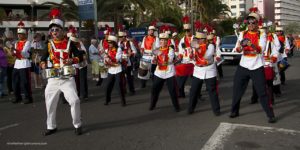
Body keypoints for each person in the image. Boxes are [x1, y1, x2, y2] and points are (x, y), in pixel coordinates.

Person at [40, 8, 83, 136]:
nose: (54, 32)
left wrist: (73, 59)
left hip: (67, 78)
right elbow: (43, 57)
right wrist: (42, 64)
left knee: (74, 101)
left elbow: (81, 55)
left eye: (56, 29)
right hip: (53, 78)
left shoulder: (70, 43)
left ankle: (77, 124)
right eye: (52, 30)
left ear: (62, 30)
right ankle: (51, 126)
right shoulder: (48, 44)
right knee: (50, 103)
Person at [229, 7, 276, 123]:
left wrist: (250, 44)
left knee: (262, 92)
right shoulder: (242, 33)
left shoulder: (262, 34)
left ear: (257, 23)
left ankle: (270, 115)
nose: (250, 24)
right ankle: (234, 110)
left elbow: (261, 49)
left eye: (253, 22)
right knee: (237, 89)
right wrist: (240, 47)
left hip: (257, 66)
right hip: (243, 66)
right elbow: (237, 49)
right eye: (248, 21)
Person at [188, 32, 220, 116]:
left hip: (209, 70)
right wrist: (191, 53)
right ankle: (190, 108)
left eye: (198, 39)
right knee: (193, 91)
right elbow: (191, 57)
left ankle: (216, 110)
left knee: (212, 91)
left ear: (203, 39)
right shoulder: (195, 46)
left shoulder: (210, 46)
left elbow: (207, 56)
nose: (196, 40)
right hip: (198, 70)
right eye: (196, 39)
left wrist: (198, 49)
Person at [250, 22, 280, 104]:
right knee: (255, 82)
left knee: (269, 83)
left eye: (263, 30)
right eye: (260, 30)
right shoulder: (255, 39)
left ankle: (271, 100)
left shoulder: (271, 39)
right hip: (257, 63)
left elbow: (276, 49)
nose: (262, 32)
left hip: (267, 63)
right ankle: (254, 98)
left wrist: (274, 57)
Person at [150, 32, 180, 112]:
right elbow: (154, 60)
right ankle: (152, 104)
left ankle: (176, 106)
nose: (162, 42)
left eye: (164, 40)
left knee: (172, 91)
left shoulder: (171, 49)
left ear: (167, 41)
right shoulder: (157, 49)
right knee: (155, 89)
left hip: (169, 72)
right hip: (159, 72)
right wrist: (154, 60)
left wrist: (160, 54)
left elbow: (169, 59)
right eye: (161, 40)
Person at [12, 21, 33, 104]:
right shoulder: (16, 43)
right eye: (18, 34)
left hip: (24, 63)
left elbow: (24, 53)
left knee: (25, 82)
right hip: (17, 63)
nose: (19, 35)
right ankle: (17, 97)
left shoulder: (27, 42)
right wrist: (13, 51)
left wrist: (15, 51)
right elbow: (15, 54)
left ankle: (28, 98)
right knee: (15, 82)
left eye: (21, 34)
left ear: (24, 35)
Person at [104, 35, 127, 106]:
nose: (109, 44)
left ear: (114, 43)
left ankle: (123, 101)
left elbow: (117, 59)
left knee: (119, 86)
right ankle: (107, 100)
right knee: (108, 86)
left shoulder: (119, 49)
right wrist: (106, 61)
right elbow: (105, 59)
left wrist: (109, 57)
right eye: (108, 43)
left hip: (118, 69)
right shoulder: (107, 50)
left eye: (110, 43)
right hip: (111, 70)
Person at [176, 16, 195, 98]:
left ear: (191, 30)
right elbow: (180, 50)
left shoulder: (195, 39)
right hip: (185, 61)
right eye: (185, 31)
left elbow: (198, 49)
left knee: (195, 79)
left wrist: (193, 54)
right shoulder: (182, 40)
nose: (187, 32)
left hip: (193, 62)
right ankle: (181, 93)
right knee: (182, 78)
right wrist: (180, 56)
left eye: (188, 30)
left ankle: (197, 94)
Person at [118, 29, 137, 95]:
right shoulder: (118, 43)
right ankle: (124, 90)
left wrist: (130, 54)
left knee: (129, 77)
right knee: (122, 77)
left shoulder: (130, 43)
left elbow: (135, 51)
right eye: (119, 37)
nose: (120, 38)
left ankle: (132, 90)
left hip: (128, 62)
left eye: (121, 37)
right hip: (121, 62)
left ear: (124, 37)